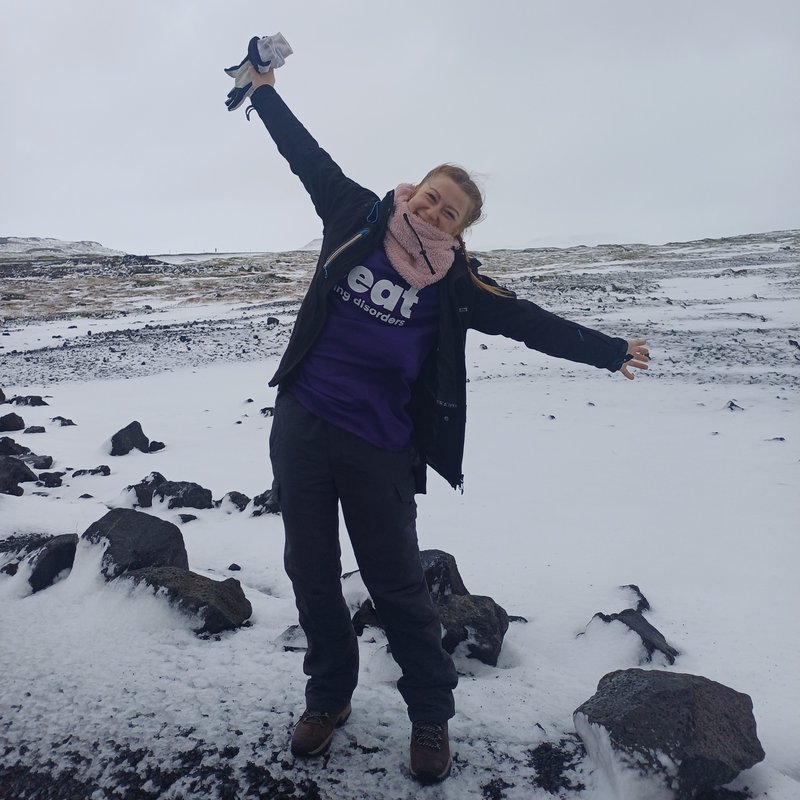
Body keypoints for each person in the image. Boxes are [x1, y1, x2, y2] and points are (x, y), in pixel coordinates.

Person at [243, 64, 649, 785]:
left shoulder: (456, 281)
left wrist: (609, 350)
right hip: (302, 423)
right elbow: (306, 154)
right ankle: (328, 696)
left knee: (398, 587)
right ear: (413, 190)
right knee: (310, 571)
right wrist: (264, 91)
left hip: (379, 446)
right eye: (431, 198)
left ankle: (430, 714)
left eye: (450, 213)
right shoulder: (356, 216)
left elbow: (527, 321)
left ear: (460, 230)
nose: (433, 214)